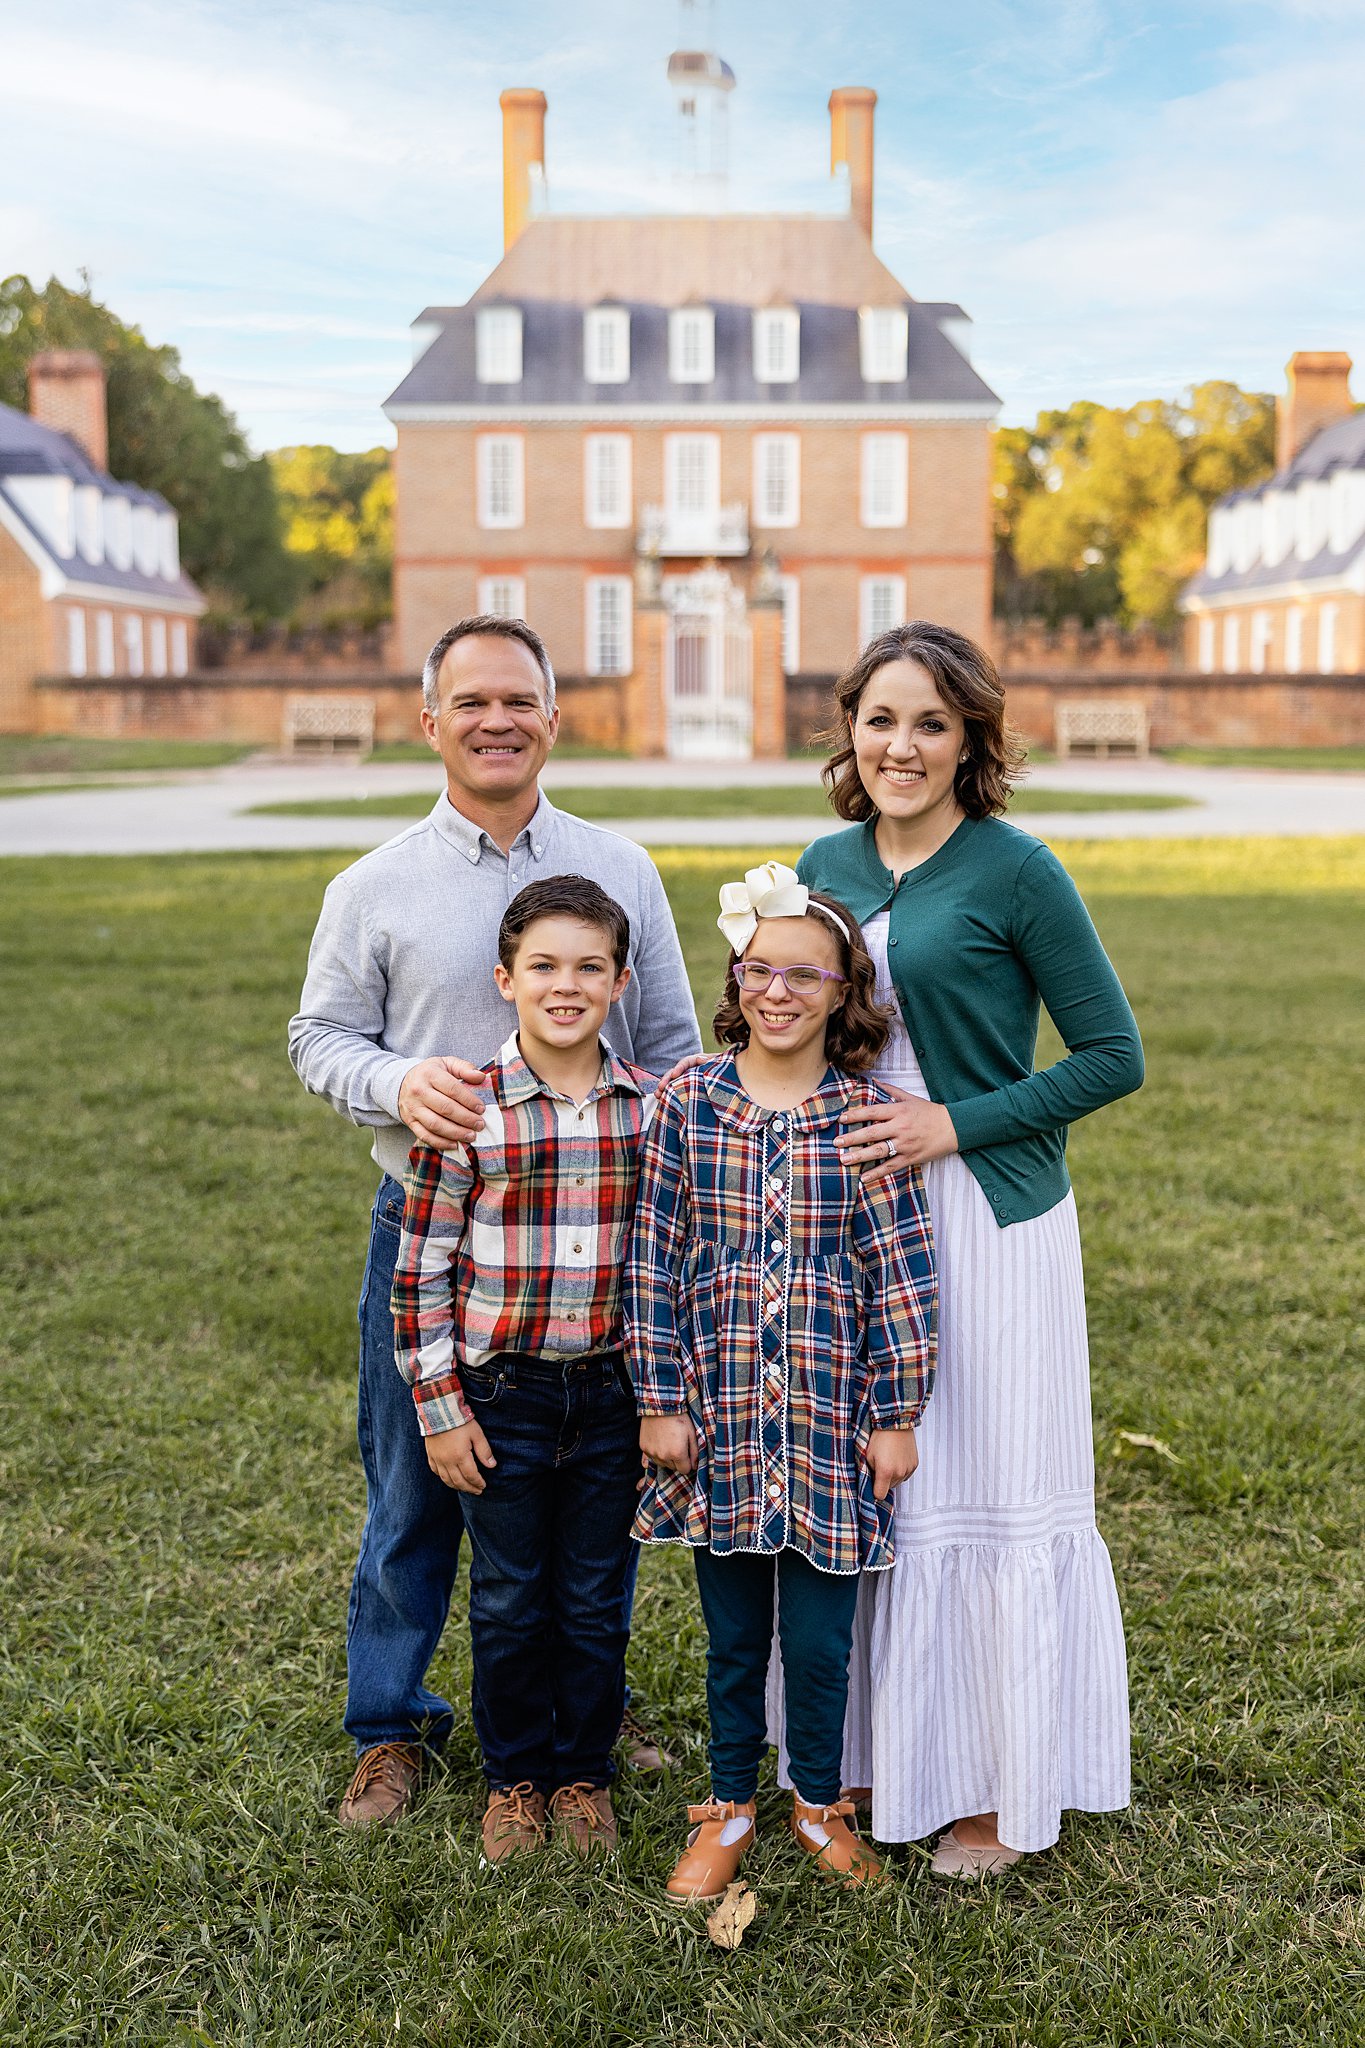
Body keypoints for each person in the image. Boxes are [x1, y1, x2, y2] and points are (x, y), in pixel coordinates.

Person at [288, 615, 700, 1827]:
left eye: (519, 698)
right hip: (434, 1223)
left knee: (586, 1501)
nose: (496, 719)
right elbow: (317, 1037)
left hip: (601, 1237)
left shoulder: (621, 867)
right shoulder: (372, 886)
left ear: (553, 717)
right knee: (415, 1481)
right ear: (430, 721)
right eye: (470, 701)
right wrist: (393, 1081)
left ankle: (588, 1706)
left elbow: (672, 1048)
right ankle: (391, 1724)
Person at [796, 618, 1144, 1878]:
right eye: (881, 719)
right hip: (854, 1214)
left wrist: (954, 1122)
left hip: (987, 1214)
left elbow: (1115, 1055)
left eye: (931, 723)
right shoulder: (824, 857)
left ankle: (997, 1783)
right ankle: (884, 1750)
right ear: (850, 728)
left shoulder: (1017, 869)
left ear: (970, 740)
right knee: (875, 1486)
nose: (902, 744)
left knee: (978, 1482)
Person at [626, 863, 938, 1902]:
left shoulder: (868, 1115)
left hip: (829, 1421)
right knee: (730, 1635)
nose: (780, 991)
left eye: (807, 975)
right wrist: (662, 1398)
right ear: (736, 976)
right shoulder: (686, 1100)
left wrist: (895, 1415)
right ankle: (728, 1802)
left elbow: (899, 1271)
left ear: (844, 990)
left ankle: (815, 1800)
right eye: (761, 969)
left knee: (817, 1637)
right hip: (718, 1420)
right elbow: (654, 1258)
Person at [391, 875, 654, 1864]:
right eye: (544, 964)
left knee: (593, 1594)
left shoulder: (646, 1109)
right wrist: (439, 1407)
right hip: (502, 1393)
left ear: (621, 981)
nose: (566, 983)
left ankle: (582, 1768)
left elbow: (665, 1264)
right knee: (507, 1592)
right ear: (505, 977)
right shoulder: (469, 1107)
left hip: (613, 1392)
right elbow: (418, 1273)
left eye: (590, 965)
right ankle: (514, 1779)